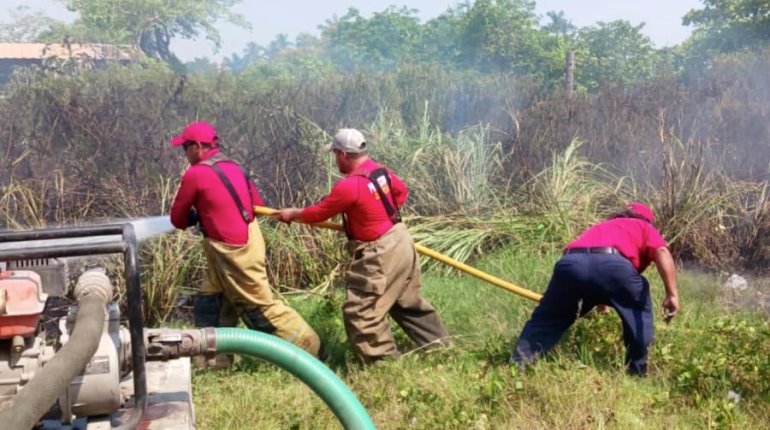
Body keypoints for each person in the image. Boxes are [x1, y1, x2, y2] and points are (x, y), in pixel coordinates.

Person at [276, 128, 450, 364]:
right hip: (400, 239)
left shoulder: (350, 186)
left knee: (361, 312)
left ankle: (384, 367)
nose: (335, 160)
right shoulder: (380, 171)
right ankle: (442, 348)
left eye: (335, 154)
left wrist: (292, 213)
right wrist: (373, 212)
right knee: (405, 302)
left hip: (380, 253)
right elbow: (401, 192)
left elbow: (318, 213)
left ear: (344, 154)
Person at [169, 121, 322, 358]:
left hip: (233, 251)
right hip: (246, 242)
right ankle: (213, 362)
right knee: (211, 301)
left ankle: (312, 350)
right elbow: (257, 204)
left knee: (259, 309)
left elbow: (178, 219)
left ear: (197, 146)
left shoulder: (196, 173)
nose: (185, 154)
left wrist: (195, 215)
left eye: (185, 148)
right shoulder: (236, 166)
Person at [510, 202, 679, 376]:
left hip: (570, 263)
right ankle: (636, 373)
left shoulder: (602, 226)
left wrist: (601, 299)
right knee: (639, 310)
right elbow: (662, 252)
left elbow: (589, 263)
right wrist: (672, 294)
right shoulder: (643, 226)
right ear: (648, 220)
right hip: (613, 266)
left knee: (546, 319)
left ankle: (517, 367)